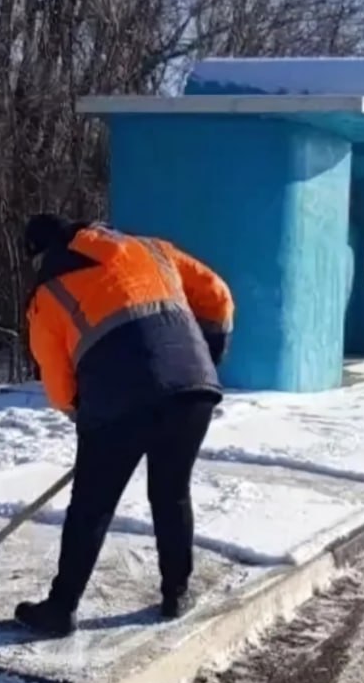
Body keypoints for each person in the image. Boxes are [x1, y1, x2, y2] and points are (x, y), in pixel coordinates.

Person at [15, 214, 234, 638]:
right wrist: (204, 357)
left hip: (117, 403)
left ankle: (61, 609)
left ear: (43, 254)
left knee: (91, 507)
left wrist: (88, 418)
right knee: (171, 494)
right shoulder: (149, 248)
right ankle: (176, 592)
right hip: (193, 390)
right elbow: (219, 297)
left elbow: (58, 384)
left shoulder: (49, 292)